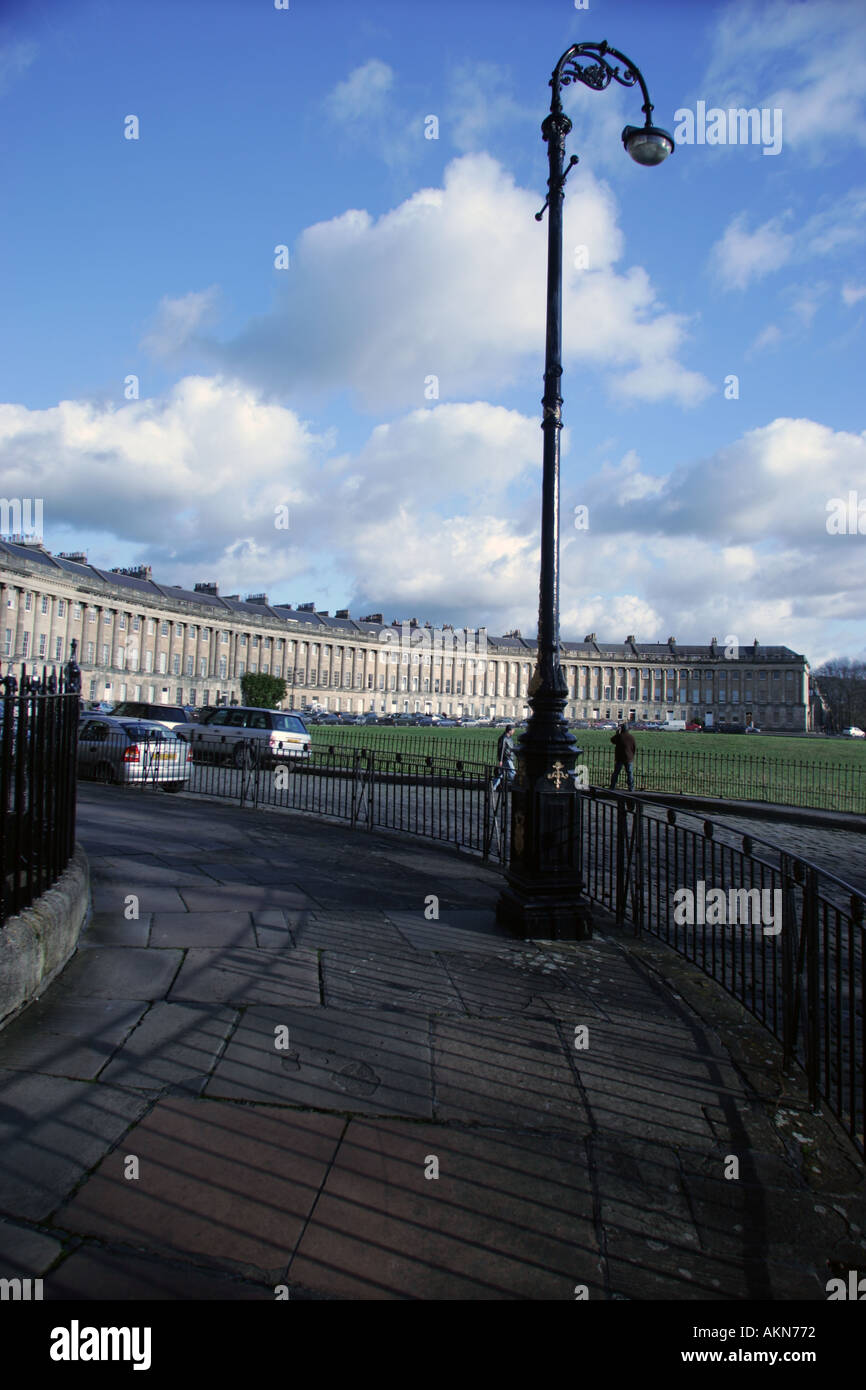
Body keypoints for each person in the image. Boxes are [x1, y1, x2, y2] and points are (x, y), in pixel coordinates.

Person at [609, 721, 636, 791]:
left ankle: (612, 786)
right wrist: (631, 755)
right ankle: (631, 788)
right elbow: (634, 748)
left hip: (619, 757)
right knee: (630, 773)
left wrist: (617, 733)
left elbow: (612, 740)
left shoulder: (619, 736)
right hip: (629, 757)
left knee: (616, 773)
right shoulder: (631, 737)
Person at [492, 723, 516, 792]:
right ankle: (517, 786)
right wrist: (500, 760)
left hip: (508, 758)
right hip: (506, 759)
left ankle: (493, 787)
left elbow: (511, 747)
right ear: (510, 730)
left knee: (500, 774)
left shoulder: (509, 738)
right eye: (513, 730)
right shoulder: (503, 738)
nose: (514, 731)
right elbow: (501, 749)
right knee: (512, 772)